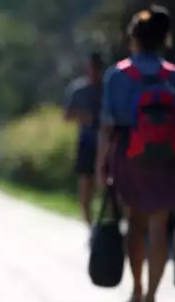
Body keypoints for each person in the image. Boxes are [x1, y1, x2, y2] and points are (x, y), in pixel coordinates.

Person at [96, 5, 175, 302]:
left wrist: (102, 164)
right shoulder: (174, 76)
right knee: (159, 224)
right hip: (168, 158)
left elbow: (107, 126)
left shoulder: (118, 75)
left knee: (135, 223)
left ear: (134, 38)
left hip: (129, 153)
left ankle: (137, 287)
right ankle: (152, 297)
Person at [63, 52, 104, 230]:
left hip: (108, 143)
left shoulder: (109, 88)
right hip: (87, 143)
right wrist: (84, 116)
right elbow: (67, 115)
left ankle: (109, 226)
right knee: (86, 189)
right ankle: (91, 228)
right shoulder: (78, 90)